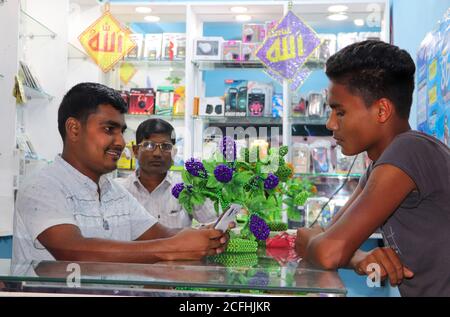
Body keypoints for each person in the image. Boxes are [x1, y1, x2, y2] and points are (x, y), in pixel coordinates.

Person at [294, 40, 450, 296]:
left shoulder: (408, 151)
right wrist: (356, 258)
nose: (330, 123)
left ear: (382, 110)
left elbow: (328, 249)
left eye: (340, 112)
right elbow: (324, 235)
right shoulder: (382, 164)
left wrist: (338, 251)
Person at [12, 82, 231, 265]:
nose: (120, 142)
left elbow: (160, 234)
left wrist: (208, 234)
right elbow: (74, 252)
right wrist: (170, 249)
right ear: (74, 129)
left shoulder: (113, 191)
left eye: (121, 132)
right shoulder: (42, 186)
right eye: (109, 129)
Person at [115, 119, 217, 228]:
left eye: (166, 146)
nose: (157, 153)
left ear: (174, 153)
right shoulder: (119, 190)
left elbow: (211, 223)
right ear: (135, 151)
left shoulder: (186, 188)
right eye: (149, 145)